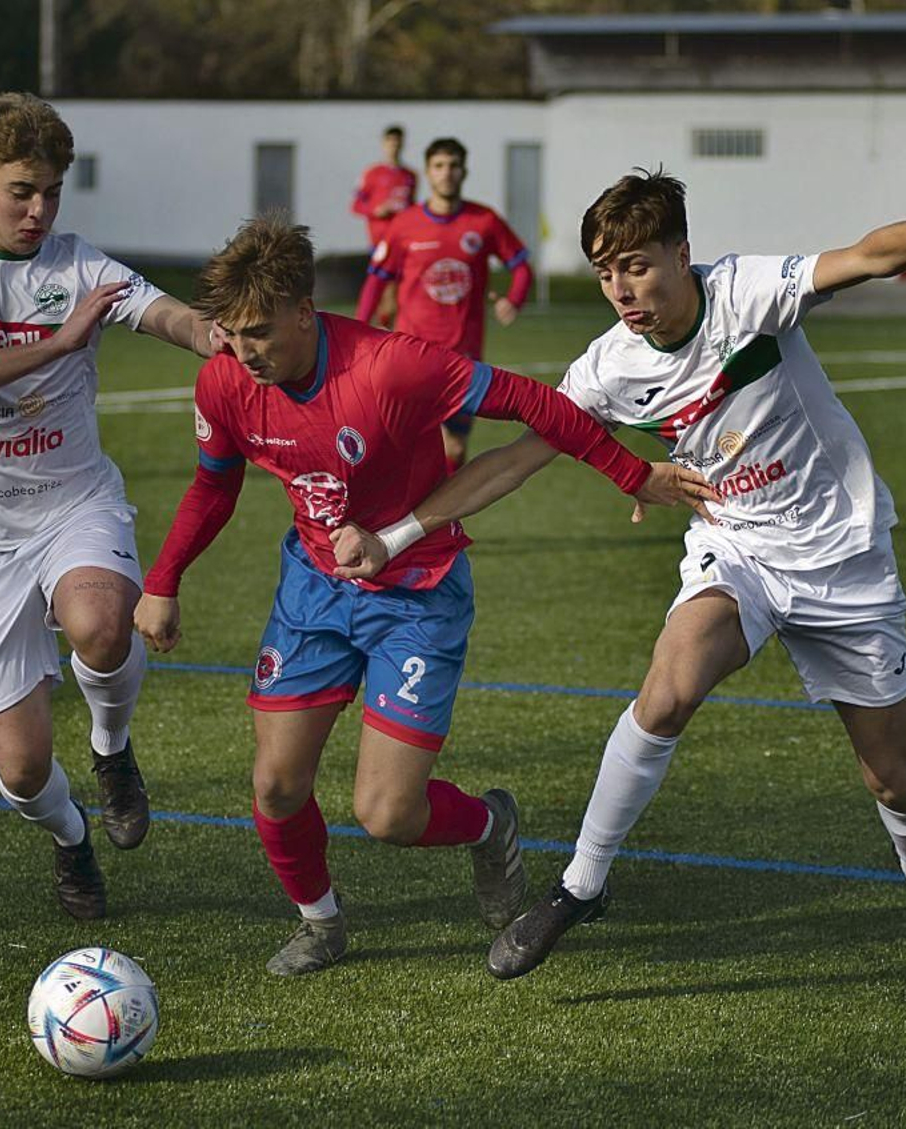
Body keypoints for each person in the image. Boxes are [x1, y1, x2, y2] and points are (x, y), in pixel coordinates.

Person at [330, 169, 906, 980]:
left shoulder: (747, 293)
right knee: (667, 690)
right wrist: (393, 537)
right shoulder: (609, 366)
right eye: (606, 272)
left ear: (683, 253)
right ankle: (580, 886)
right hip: (735, 549)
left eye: (638, 265)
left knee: (891, 777)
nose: (622, 290)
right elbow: (518, 458)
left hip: (843, 557)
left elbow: (867, 256)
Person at [133, 214, 710, 977]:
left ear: (305, 312)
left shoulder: (389, 366)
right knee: (275, 783)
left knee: (389, 813)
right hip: (314, 589)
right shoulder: (227, 380)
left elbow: (539, 405)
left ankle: (489, 825)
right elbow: (213, 487)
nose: (245, 354)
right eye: (232, 337)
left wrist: (632, 473)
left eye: (260, 335)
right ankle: (320, 922)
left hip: (417, 588)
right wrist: (162, 581)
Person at [0, 92, 214, 921]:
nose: (39, 211)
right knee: (23, 766)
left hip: (75, 503)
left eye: (52, 193)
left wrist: (228, 336)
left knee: (103, 621)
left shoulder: (80, 266)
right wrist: (59, 341)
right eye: (21, 191)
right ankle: (71, 837)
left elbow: (167, 314)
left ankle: (113, 750)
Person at [356, 137, 533, 472]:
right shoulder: (404, 224)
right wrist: (361, 327)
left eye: (453, 166)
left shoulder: (484, 221)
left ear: (464, 171)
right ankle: (396, 516)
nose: (446, 173)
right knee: (399, 443)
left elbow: (522, 265)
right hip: (409, 351)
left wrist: (514, 299)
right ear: (427, 172)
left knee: (454, 445)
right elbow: (376, 279)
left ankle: (444, 520)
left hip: (461, 357)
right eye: (439, 166)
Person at [350, 125, 416, 330]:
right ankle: (376, 329)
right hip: (380, 242)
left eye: (398, 142)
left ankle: (386, 329)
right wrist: (375, 210)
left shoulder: (410, 176)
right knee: (385, 290)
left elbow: (411, 206)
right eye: (390, 142)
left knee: (397, 292)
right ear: (384, 144)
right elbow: (356, 205)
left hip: (403, 241)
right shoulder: (373, 173)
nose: (394, 146)